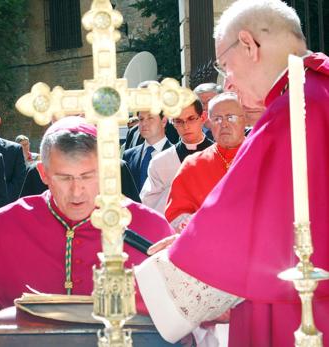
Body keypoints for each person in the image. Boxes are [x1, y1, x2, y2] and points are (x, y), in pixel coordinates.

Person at [135, 1, 329, 346]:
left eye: (226, 65)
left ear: (249, 45)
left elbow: (242, 224)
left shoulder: (293, 110)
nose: (230, 82)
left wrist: (184, 249)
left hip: (303, 308)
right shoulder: (318, 91)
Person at [0, 116, 175, 345]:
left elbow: (185, 322)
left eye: (87, 176)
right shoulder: (7, 225)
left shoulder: (149, 227)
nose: (77, 191)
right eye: (64, 178)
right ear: (43, 173)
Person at [165, 92, 246, 231]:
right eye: (217, 119)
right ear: (209, 123)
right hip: (209, 246)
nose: (224, 124)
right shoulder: (192, 165)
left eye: (230, 117)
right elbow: (175, 216)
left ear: (245, 119)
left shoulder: (265, 157)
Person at [140, 99, 213, 213]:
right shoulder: (161, 162)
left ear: (203, 117)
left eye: (191, 119)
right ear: (172, 123)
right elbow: (148, 206)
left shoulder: (219, 155)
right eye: (179, 121)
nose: (186, 126)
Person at [123, 81, 173, 191]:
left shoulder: (174, 134)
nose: (145, 123)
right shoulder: (132, 135)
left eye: (150, 118)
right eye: (141, 119)